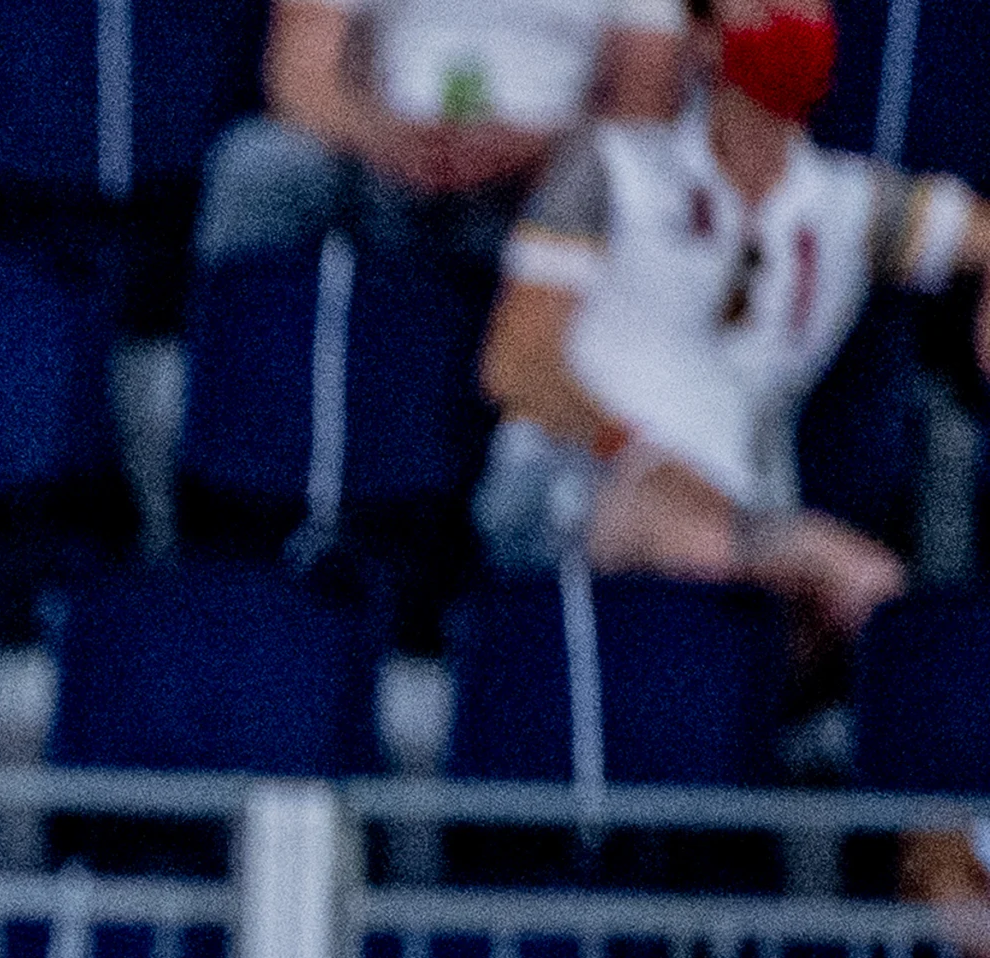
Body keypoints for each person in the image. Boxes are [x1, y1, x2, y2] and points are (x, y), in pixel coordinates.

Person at [476, 0, 990, 641]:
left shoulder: (846, 203)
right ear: (703, 37)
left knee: (873, 596)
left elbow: (978, 234)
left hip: (746, 516)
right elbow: (517, 363)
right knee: (704, 546)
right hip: (575, 480)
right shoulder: (612, 165)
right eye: (765, 9)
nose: (794, 23)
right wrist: (632, 449)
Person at [197, 0, 689, 274]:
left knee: (607, 187)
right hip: (384, 160)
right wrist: (386, 139)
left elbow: (643, 107)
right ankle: (218, 409)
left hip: (543, 177)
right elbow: (300, 75)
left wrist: (530, 151)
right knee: (256, 163)